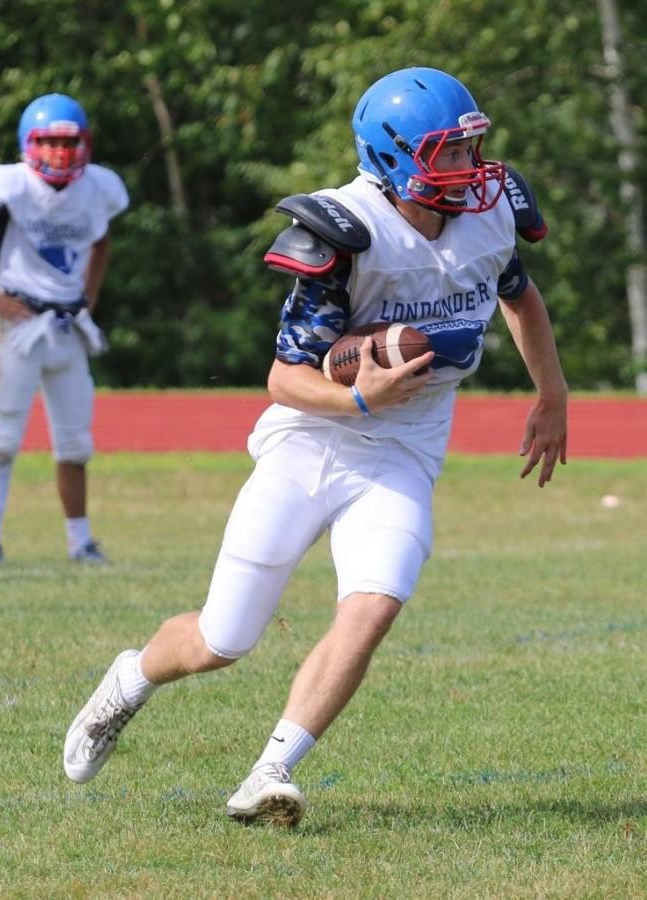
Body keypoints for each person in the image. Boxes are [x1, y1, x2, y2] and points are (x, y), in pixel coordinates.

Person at [63, 67, 567, 826]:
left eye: (472, 149)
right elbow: (283, 377)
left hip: (402, 449)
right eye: (449, 154)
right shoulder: (346, 228)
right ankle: (129, 680)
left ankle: (271, 770)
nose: (471, 170)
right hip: (312, 439)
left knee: (373, 604)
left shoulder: (488, 212)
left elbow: (517, 293)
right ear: (396, 158)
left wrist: (552, 394)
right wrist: (358, 395)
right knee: (222, 639)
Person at [0, 93, 128, 563]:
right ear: (29, 144)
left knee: (76, 443)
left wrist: (90, 297)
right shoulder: (9, 187)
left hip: (68, 325)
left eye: (69, 142)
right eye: (51, 142)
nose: (61, 152)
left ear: (85, 144)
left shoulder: (97, 188)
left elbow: (101, 243)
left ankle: (80, 543)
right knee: (2, 438)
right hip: (22, 326)